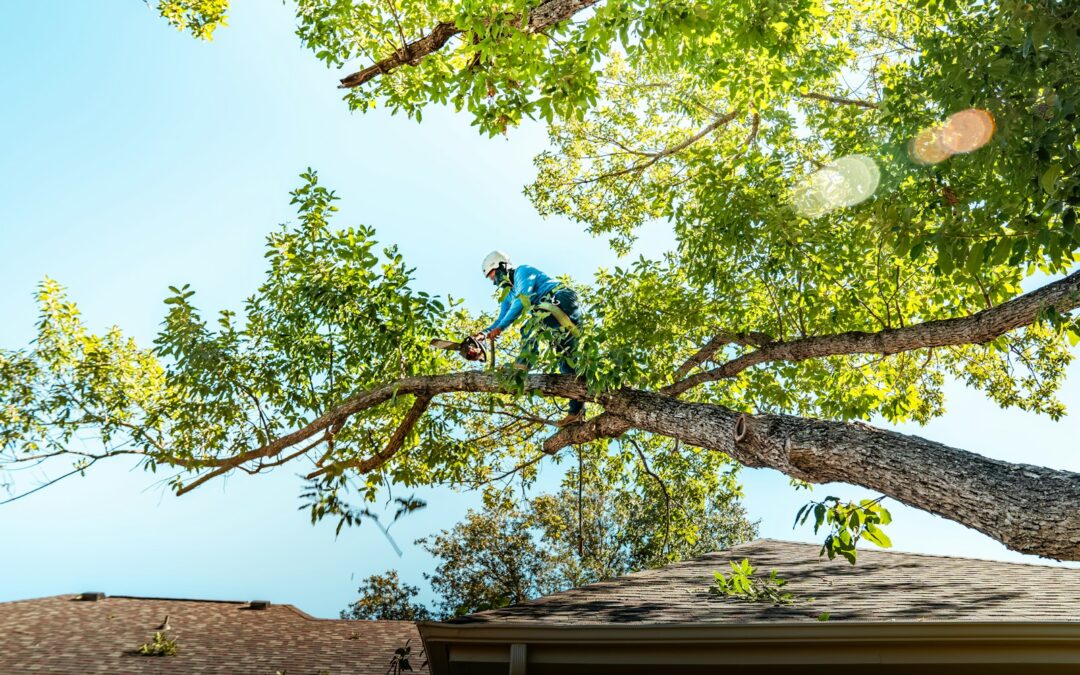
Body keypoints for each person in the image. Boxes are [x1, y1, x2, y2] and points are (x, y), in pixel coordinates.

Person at [478, 251, 585, 426]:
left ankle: (521, 367)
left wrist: (500, 328)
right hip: (557, 320)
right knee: (567, 365)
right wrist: (483, 334)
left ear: (502, 267)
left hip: (561, 299)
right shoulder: (507, 296)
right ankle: (576, 412)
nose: (493, 281)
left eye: (492, 275)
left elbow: (522, 300)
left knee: (529, 327)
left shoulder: (522, 272)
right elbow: (500, 318)